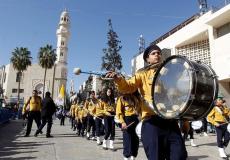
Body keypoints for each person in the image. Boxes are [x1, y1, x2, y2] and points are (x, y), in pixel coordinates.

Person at [106, 44, 187, 160]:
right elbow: (128, 86)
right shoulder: (142, 74)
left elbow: (180, 94)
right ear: (147, 59)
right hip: (152, 121)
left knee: (179, 155)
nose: (157, 55)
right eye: (153, 53)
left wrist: (185, 120)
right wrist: (118, 79)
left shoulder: (170, 73)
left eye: (159, 53)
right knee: (155, 156)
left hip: (170, 120)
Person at [116, 91, 140, 160]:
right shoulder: (121, 98)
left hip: (136, 119)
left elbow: (140, 108)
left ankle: (133, 157)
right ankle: (126, 157)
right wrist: (122, 122)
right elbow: (119, 112)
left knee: (135, 140)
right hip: (127, 120)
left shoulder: (136, 97)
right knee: (127, 140)